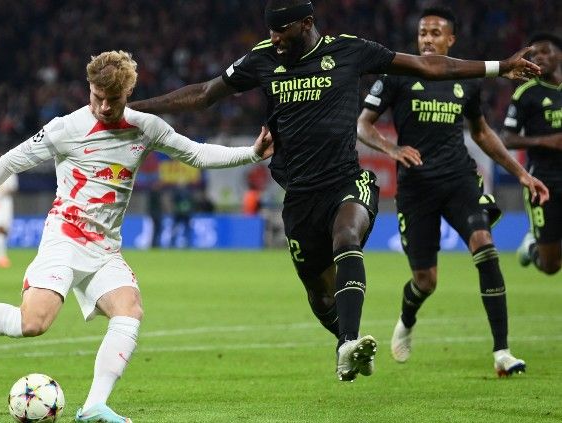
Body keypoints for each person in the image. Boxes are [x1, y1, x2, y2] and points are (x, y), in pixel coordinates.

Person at [127, 0, 541, 382]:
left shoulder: (349, 51)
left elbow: (429, 67)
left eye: (282, 31)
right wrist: (133, 109)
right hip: (299, 194)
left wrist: (498, 66)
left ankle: (349, 344)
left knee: (347, 236)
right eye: (270, 32)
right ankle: (344, 338)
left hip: (347, 179)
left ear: (307, 24)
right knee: (319, 292)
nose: (275, 40)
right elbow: (203, 94)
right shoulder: (262, 59)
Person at [0, 50, 273, 423]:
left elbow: (197, 154)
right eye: (97, 97)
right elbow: (9, 161)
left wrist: (252, 154)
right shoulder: (66, 128)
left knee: (130, 309)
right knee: (34, 323)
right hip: (65, 236)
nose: (105, 107)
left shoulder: (146, 127)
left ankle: (93, 407)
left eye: (114, 100)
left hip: (105, 247)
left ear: (129, 94)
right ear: (88, 89)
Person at [356, 7, 548, 377]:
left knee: (485, 247)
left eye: (435, 33)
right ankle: (407, 319)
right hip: (416, 188)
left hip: (459, 179)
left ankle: (503, 352)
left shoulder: (466, 79)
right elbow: (363, 125)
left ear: (451, 39)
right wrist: (391, 149)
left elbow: (482, 133)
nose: (427, 39)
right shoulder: (398, 74)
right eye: (422, 33)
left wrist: (522, 173)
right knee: (425, 281)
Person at [502, 33, 562, 276]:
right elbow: (507, 138)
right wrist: (546, 141)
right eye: (535, 53)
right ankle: (531, 246)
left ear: (559, 55)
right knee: (551, 266)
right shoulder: (526, 94)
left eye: (545, 51)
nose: (539, 57)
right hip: (544, 182)